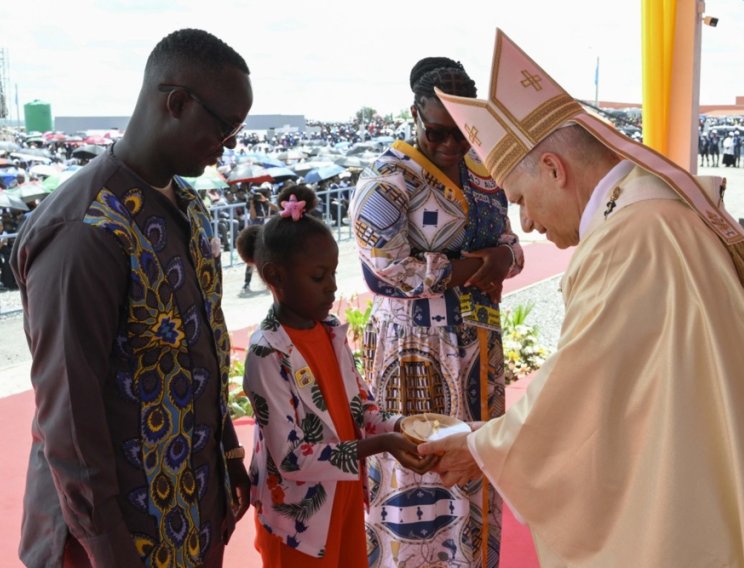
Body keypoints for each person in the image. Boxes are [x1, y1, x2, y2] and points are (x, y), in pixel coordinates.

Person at [419, 29, 744, 567]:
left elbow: (583, 396)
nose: (526, 221)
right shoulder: (660, 206)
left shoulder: (629, 239)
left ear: (555, 169)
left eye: (524, 199)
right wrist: (493, 439)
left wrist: (484, 449)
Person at [11, 29, 253, 567]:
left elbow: (204, 349)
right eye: (225, 127)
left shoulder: (189, 207)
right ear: (177, 103)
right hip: (111, 536)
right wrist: (108, 550)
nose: (229, 146)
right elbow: (70, 414)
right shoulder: (87, 229)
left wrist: (227, 454)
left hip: (189, 509)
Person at [349, 57, 524, 567]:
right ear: (414, 115)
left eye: (463, 134)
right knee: (416, 466)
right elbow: (386, 271)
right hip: (414, 350)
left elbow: (515, 249)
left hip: (479, 348)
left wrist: (497, 258)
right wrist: (478, 263)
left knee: (477, 460)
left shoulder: (483, 175)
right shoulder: (385, 180)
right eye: (438, 133)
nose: (451, 146)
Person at [237, 184, 435, 567]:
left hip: (341, 499)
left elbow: (362, 409)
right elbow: (293, 459)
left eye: (332, 273)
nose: (332, 286)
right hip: (300, 521)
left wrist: (405, 426)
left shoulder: (330, 332)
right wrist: (383, 444)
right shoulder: (267, 353)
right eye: (318, 277)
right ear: (275, 276)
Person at [241, 189, 269, 292]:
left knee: (265, 259)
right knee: (251, 260)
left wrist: (265, 200)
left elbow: (275, 208)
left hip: (264, 233)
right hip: (254, 235)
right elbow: (253, 216)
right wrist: (252, 202)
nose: (258, 197)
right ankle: (246, 283)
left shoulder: (264, 203)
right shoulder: (251, 204)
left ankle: (267, 282)